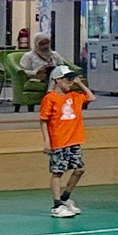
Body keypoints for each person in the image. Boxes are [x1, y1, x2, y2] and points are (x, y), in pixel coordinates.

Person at [37, 65, 89, 217]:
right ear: (58, 80)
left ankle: (65, 197)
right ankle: (56, 204)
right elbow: (44, 121)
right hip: (59, 140)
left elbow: (91, 98)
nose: (70, 82)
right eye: (68, 79)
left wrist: (80, 84)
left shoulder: (73, 96)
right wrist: (47, 141)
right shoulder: (50, 98)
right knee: (57, 172)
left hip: (74, 139)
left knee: (79, 169)